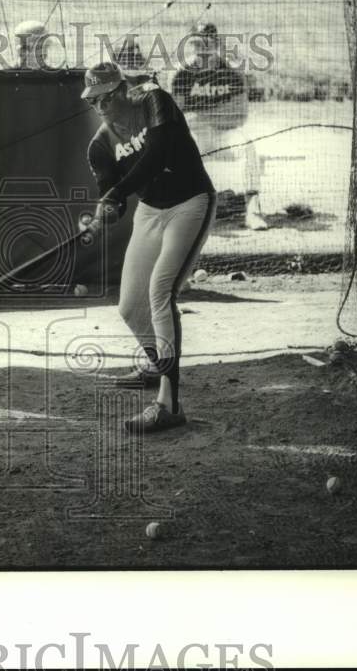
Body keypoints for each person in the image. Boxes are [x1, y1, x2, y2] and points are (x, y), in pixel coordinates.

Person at [80, 61, 217, 433]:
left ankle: (169, 404)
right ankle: (158, 364)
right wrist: (108, 209)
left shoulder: (155, 100)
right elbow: (115, 197)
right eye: (94, 101)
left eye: (107, 97)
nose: (101, 107)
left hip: (190, 203)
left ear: (123, 89)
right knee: (128, 306)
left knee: (160, 292)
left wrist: (116, 192)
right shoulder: (100, 145)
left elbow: (158, 156)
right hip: (151, 212)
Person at [171, 22, 268, 230]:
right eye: (196, 44)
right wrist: (212, 115)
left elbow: (240, 116)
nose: (201, 50)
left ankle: (253, 210)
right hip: (196, 136)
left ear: (216, 44)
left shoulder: (231, 72)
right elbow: (175, 120)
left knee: (247, 145)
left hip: (224, 134)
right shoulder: (182, 73)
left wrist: (201, 117)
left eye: (206, 44)